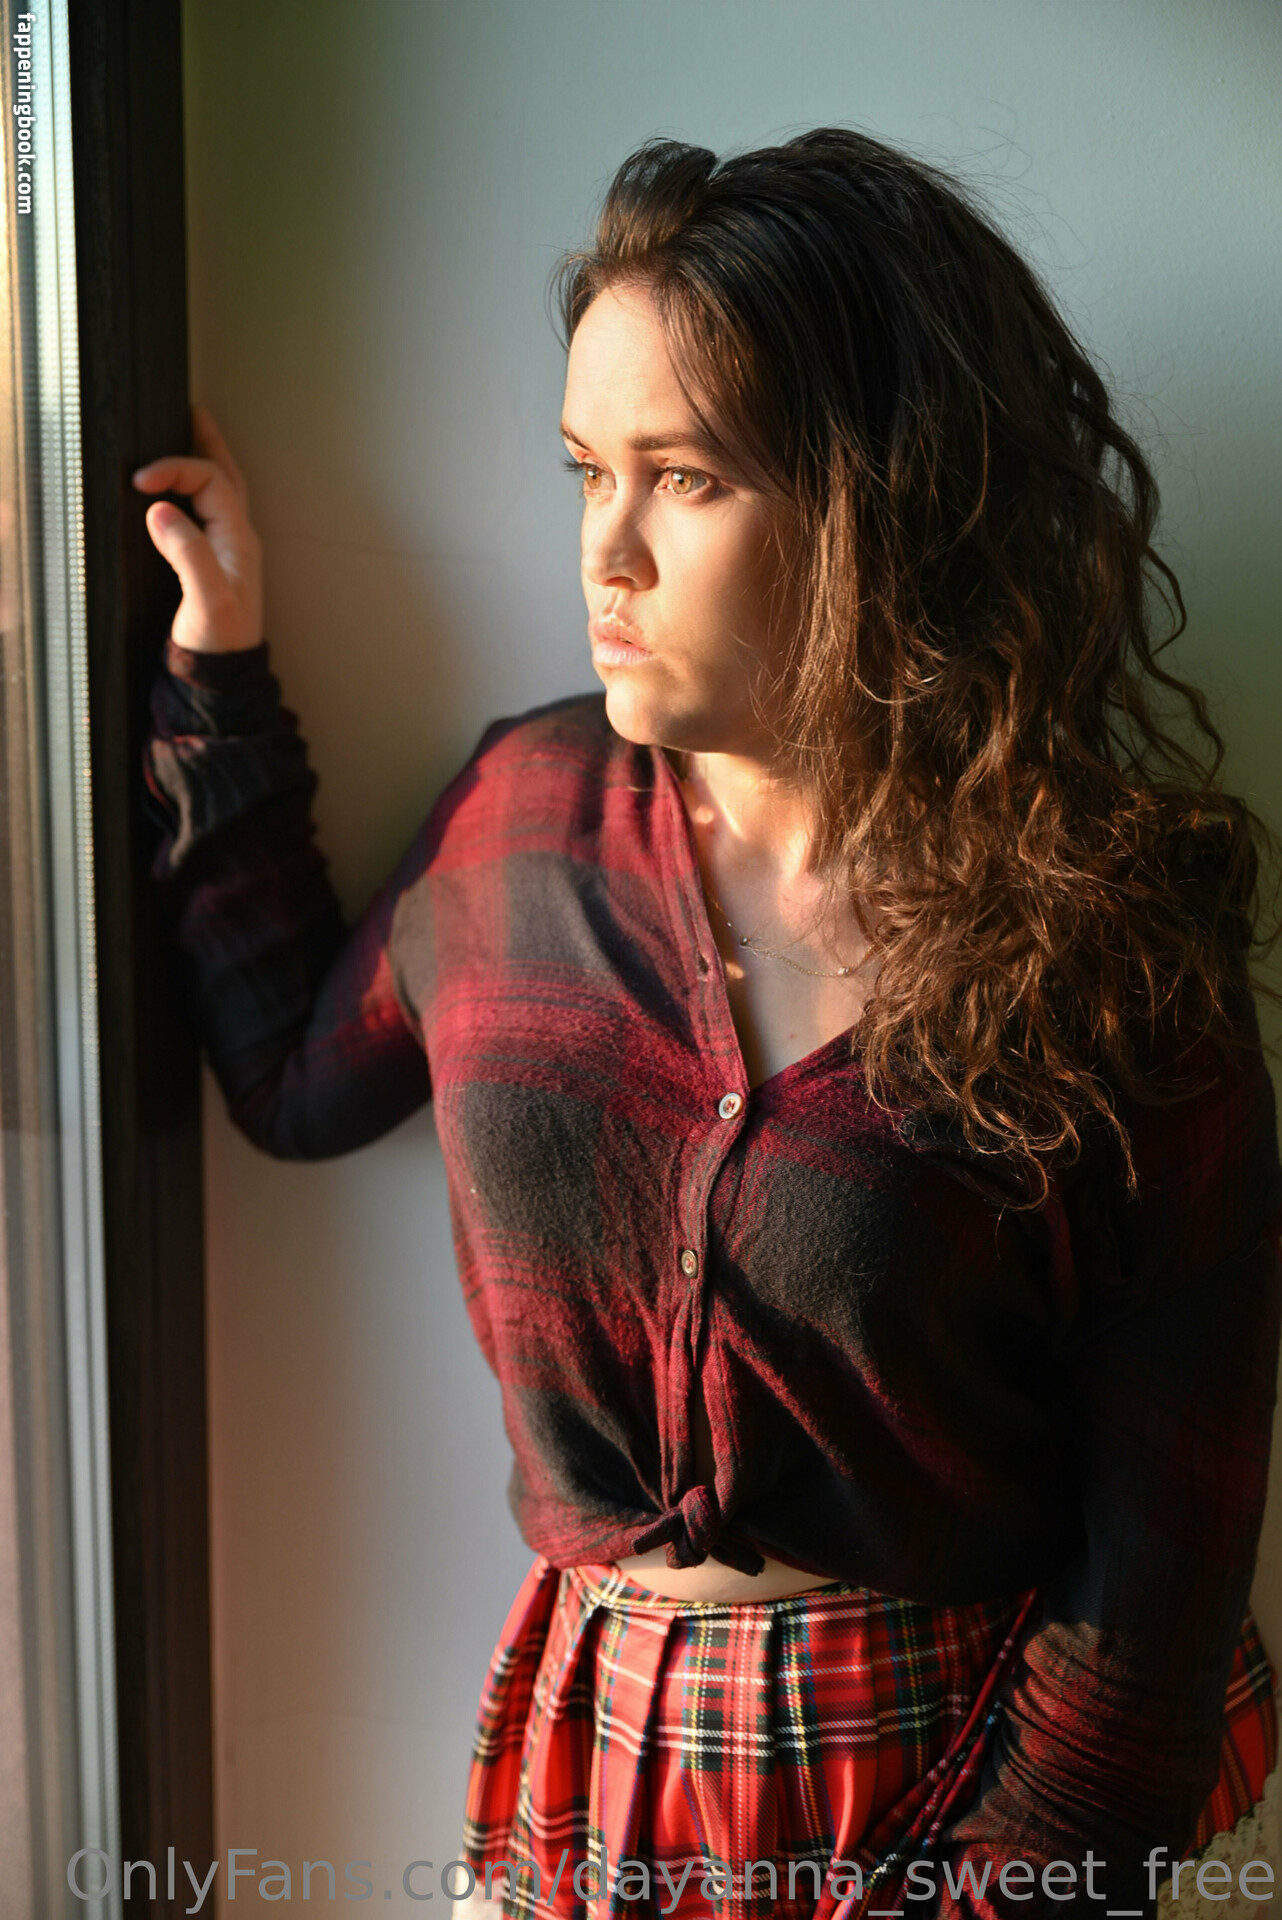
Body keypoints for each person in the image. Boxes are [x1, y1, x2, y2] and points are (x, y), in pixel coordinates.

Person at [133, 129, 1282, 1920]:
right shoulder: (519, 819)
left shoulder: (1104, 935)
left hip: (956, 1776)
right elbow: (293, 1080)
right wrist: (219, 679)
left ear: (880, 498)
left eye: (683, 478)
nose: (606, 549)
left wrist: (994, 1888)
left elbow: (1161, 1579)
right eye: (585, 468)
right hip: (595, 1765)